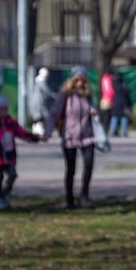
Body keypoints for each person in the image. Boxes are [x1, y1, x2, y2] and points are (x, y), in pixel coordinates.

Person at [44, 66, 98, 209]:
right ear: (73, 80)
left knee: (89, 163)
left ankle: (84, 196)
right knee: (71, 169)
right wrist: (48, 131)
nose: (80, 83)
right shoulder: (65, 94)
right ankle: (69, 199)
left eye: (82, 80)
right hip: (70, 136)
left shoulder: (87, 94)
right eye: (77, 79)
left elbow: (91, 107)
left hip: (87, 135)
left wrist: (93, 110)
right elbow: (55, 112)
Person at [0, 95, 44, 210]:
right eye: (1, 109)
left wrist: (37, 138)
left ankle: (6, 193)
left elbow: (22, 133)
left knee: (13, 174)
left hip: (10, 156)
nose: (4, 112)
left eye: (5, 109)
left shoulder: (11, 123)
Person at [32, 67, 56, 133]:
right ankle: (39, 129)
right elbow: (46, 90)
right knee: (41, 115)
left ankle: (38, 128)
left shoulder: (38, 81)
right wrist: (53, 95)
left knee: (40, 115)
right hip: (39, 101)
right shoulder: (41, 81)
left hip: (39, 101)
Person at [109, 71, 132, 137]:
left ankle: (113, 131)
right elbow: (128, 94)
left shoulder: (112, 84)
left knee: (114, 117)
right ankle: (123, 132)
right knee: (124, 117)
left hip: (115, 103)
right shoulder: (124, 84)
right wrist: (129, 105)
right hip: (123, 103)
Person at [99, 70, 115, 135]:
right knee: (107, 117)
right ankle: (105, 130)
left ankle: (105, 130)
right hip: (107, 99)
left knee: (105, 116)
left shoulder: (104, 78)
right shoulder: (107, 79)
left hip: (104, 99)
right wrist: (112, 97)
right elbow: (109, 90)